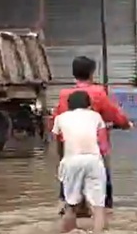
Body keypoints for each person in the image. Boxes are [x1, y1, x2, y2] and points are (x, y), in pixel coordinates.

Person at [53, 56, 131, 212]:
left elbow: (56, 123)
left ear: (73, 73)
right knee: (103, 186)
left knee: (67, 189)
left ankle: (67, 207)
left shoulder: (64, 95)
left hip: (70, 150)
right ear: (91, 73)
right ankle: (104, 213)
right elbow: (114, 114)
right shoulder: (98, 93)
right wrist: (125, 124)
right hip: (95, 150)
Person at [52, 90, 108, 233]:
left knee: (70, 204)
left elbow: (56, 142)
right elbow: (103, 144)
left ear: (69, 105)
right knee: (98, 206)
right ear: (89, 105)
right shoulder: (96, 116)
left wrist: (61, 160)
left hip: (71, 160)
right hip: (93, 160)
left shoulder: (60, 118)